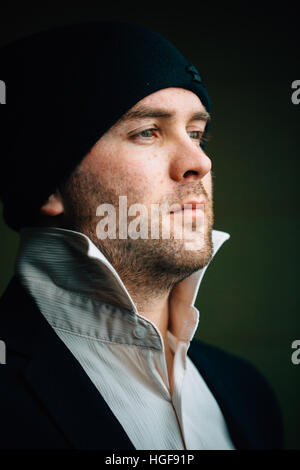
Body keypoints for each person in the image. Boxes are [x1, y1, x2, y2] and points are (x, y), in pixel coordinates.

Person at [0, 19, 284, 450]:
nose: (199, 162)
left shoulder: (247, 391)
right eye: (147, 132)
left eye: (196, 133)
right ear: (49, 184)